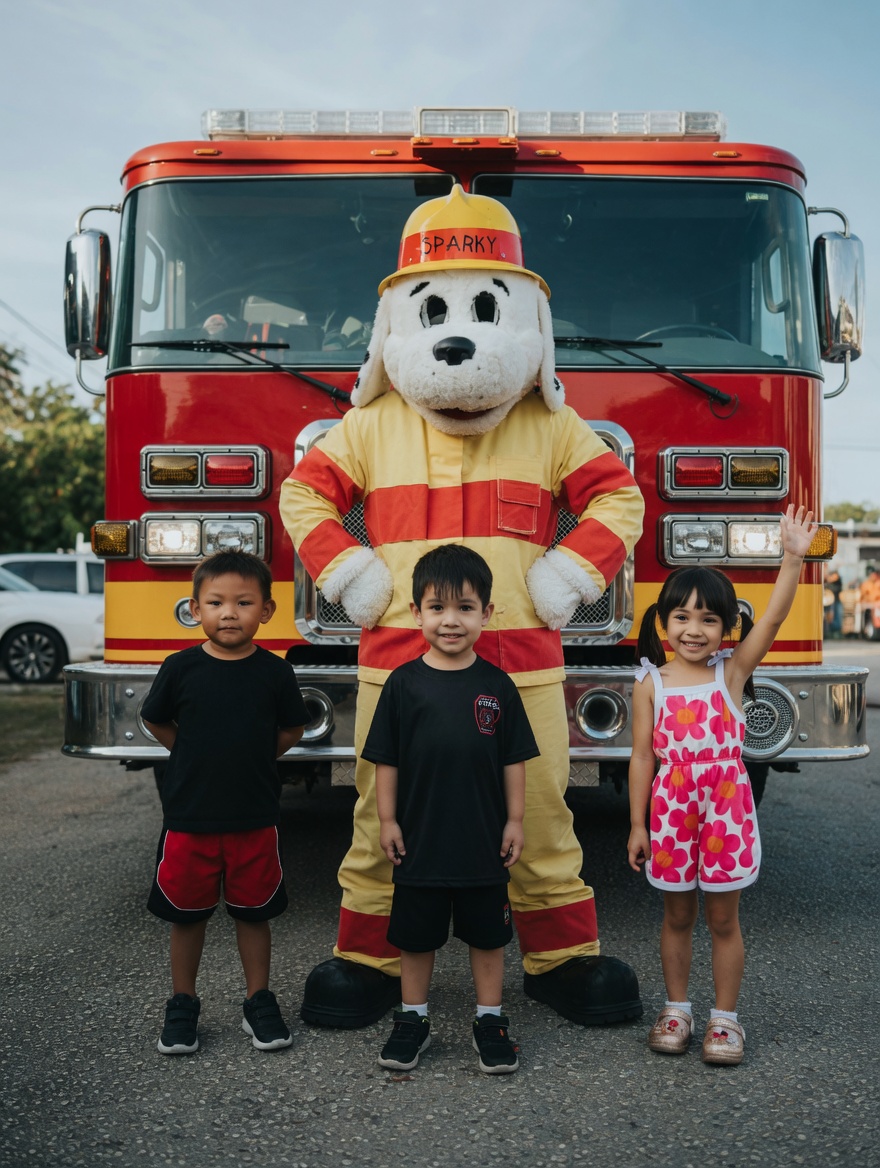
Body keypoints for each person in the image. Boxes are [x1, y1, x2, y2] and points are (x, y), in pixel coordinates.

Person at [627, 505, 816, 1066]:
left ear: (727, 629)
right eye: (681, 617)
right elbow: (642, 757)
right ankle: (678, 1008)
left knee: (723, 919)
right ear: (663, 624)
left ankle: (725, 1020)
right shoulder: (650, 684)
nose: (694, 629)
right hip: (672, 813)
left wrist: (792, 557)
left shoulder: (729, 674)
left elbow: (777, 620)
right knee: (677, 916)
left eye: (709, 619)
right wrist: (637, 824)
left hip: (726, 812)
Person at [363, 545, 539, 1074]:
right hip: (418, 841)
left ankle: (490, 1019)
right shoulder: (402, 685)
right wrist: (388, 820)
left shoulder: (497, 686)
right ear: (415, 613)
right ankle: (412, 1018)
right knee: (415, 939)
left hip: (484, 841)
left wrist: (514, 819)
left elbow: (514, 760)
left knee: (488, 938)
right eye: (437, 607)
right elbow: (385, 761)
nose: (450, 620)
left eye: (465, 607)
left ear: (487, 614)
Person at [141, 550, 309, 1056]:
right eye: (215, 602)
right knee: (186, 915)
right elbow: (156, 720)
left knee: (253, 913)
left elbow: (292, 728)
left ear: (267, 610)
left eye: (243, 602)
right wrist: (190, 752)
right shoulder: (180, 668)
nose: (229, 612)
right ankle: (182, 1004)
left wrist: (255, 756)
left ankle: (258, 1001)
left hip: (254, 817)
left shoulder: (275, 672)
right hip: (190, 818)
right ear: (195, 609)